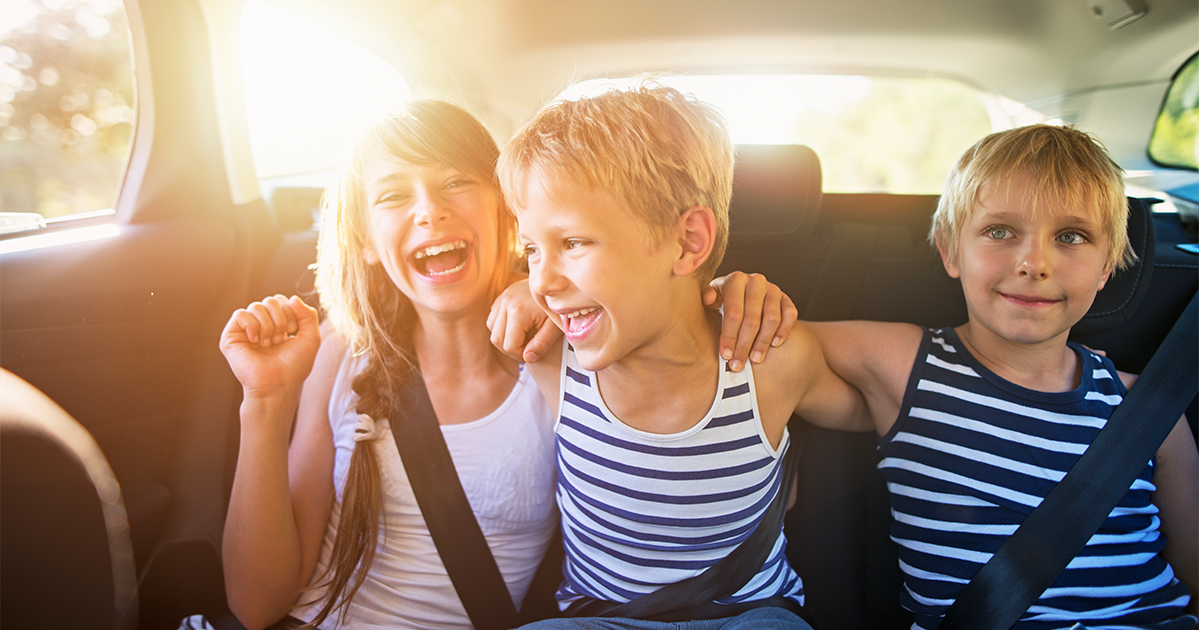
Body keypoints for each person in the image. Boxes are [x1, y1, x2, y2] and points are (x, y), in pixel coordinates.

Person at [217, 100, 798, 630]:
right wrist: (265, 403)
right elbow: (257, 604)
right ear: (367, 239)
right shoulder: (341, 353)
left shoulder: (574, 359)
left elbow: (671, 348)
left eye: (455, 182)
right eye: (394, 196)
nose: (429, 211)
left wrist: (721, 296)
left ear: (508, 214)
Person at [490, 82, 872, 629]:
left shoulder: (768, 364)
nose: (543, 281)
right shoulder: (550, 359)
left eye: (573, 242)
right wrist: (511, 291)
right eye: (531, 249)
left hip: (745, 615)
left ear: (688, 243)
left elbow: (869, 411)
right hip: (599, 618)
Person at [801, 125, 1199, 628]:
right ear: (949, 250)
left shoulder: (1147, 406)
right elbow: (772, 340)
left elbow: (1194, 572)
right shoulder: (907, 365)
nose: (1034, 263)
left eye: (1071, 236)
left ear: (1106, 267)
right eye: (1000, 231)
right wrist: (739, 293)